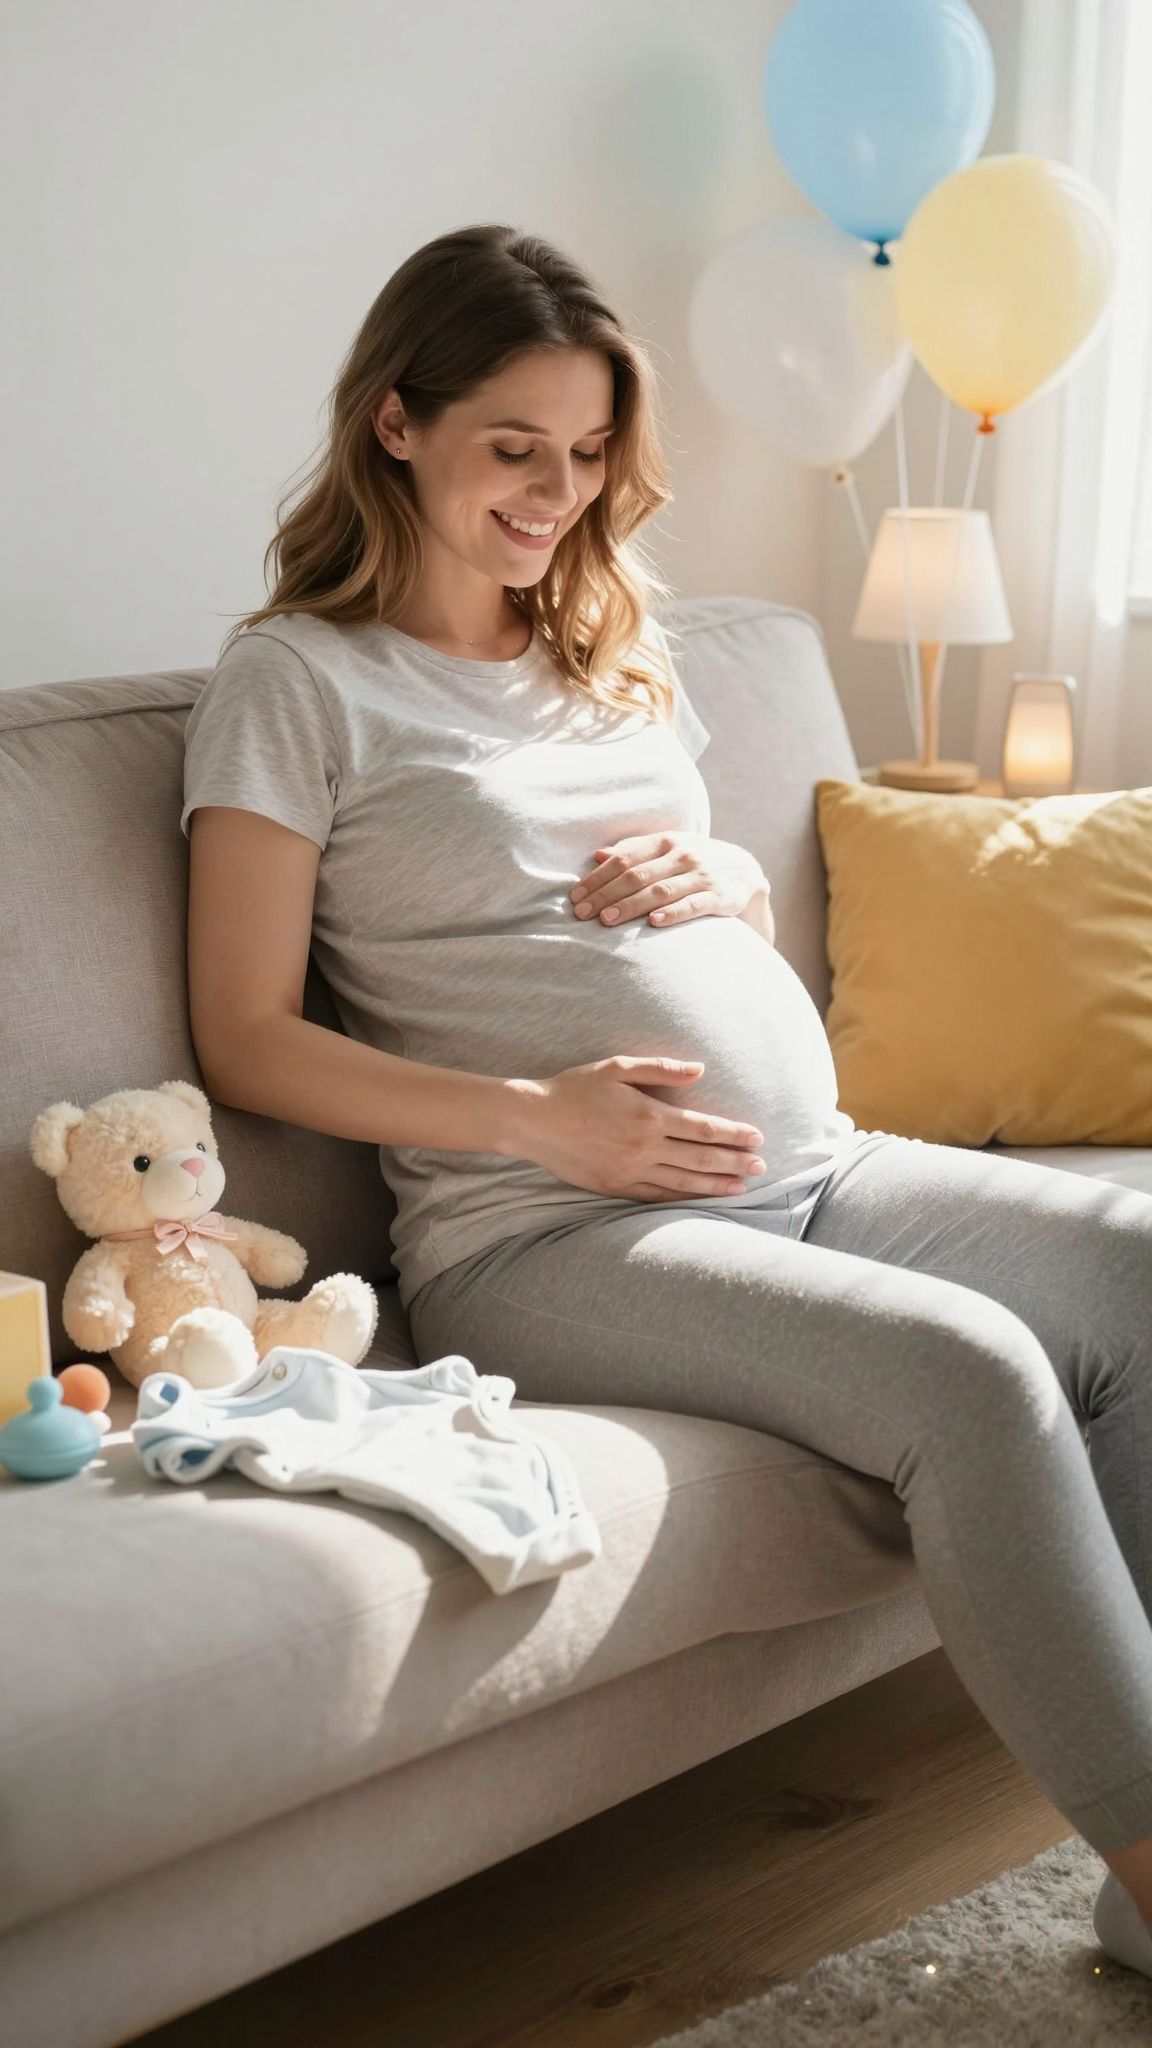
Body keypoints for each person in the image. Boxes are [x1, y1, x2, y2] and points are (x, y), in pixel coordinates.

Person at [183, 221, 1152, 1976]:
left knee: (1142, 1272)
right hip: (553, 1232)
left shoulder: (611, 649)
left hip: (816, 1170)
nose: (558, 495)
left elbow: (726, 918)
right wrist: (537, 1117)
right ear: (397, 423)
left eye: (586, 456)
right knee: (981, 1374)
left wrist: (727, 884)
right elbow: (244, 1033)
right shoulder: (297, 683)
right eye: (514, 450)